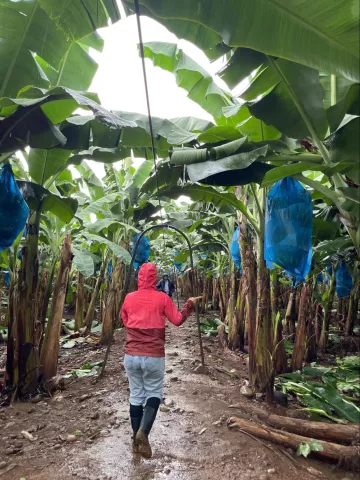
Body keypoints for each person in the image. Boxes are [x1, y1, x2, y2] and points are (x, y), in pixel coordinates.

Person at [121, 263, 199, 459]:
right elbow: (178, 320)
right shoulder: (162, 298)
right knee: (154, 392)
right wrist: (189, 304)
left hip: (131, 355)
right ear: (155, 279)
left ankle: (135, 440)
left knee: (136, 395)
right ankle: (143, 433)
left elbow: (125, 320)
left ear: (139, 278)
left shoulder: (129, 298)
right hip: (154, 356)